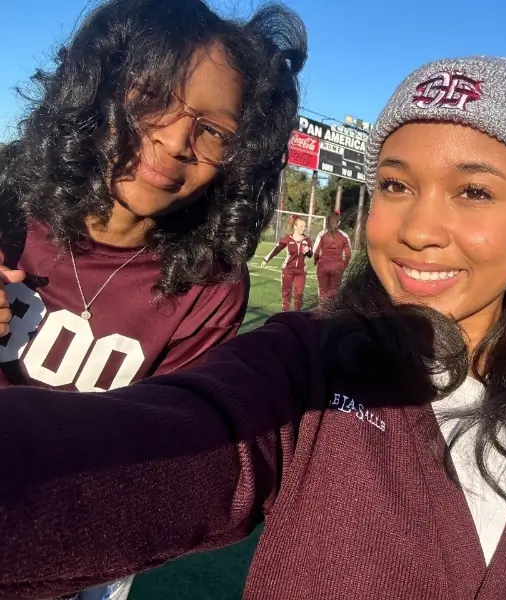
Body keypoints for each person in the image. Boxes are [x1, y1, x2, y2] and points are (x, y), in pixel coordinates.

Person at [0, 57, 506, 600]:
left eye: (474, 192)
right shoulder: (309, 363)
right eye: (395, 185)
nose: (417, 230)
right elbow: (147, 450)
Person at [0, 0, 306, 598]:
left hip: (79, 546)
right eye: (154, 97)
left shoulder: (211, 288)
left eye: (215, 131)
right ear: (98, 89)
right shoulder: (7, 205)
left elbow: (162, 456)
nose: (174, 140)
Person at [261, 215, 313, 311]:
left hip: (301, 272)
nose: (303, 228)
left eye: (304, 226)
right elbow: (276, 249)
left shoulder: (307, 240)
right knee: (286, 294)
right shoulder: (287, 239)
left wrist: (308, 250)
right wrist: (266, 259)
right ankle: (285, 314)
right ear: (295, 227)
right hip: (288, 270)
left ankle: (296, 315)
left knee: (299, 294)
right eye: (301, 226)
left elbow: (310, 255)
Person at [312, 210, 352, 304]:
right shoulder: (344, 236)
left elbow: (316, 252)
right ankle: (330, 314)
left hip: (323, 265)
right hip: (337, 266)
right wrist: (343, 266)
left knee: (322, 291)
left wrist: (315, 261)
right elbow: (348, 255)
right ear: (339, 222)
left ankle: (321, 312)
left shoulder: (322, 234)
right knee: (334, 291)